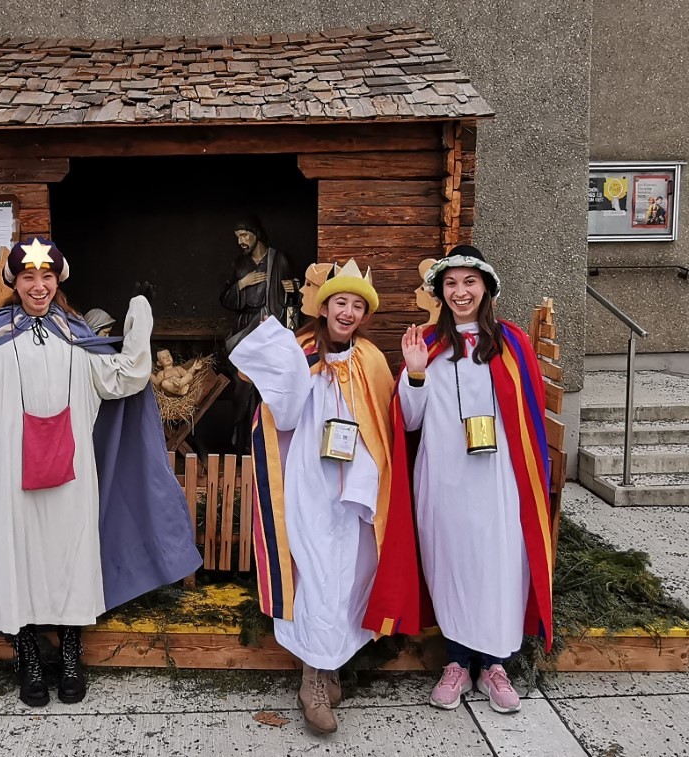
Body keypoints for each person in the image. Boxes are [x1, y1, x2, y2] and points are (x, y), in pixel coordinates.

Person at [0, 237, 202, 706]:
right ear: (14, 283)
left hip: (71, 479)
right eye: (29, 276)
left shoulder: (75, 336)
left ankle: (70, 652)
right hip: (6, 480)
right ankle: (27, 654)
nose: (38, 286)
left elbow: (123, 377)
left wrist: (138, 321)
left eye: (46, 276)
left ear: (57, 280)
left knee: (69, 557)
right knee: (12, 559)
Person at [363, 245, 553, 715]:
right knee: (451, 566)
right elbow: (409, 422)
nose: (460, 291)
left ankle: (495, 666)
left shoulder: (511, 344)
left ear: (486, 287)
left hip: (496, 481)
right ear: (440, 291)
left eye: (469, 281)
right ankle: (457, 663)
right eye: (451, 283)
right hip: (443, 479)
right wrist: (414, 373)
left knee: (497, 567)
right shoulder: (427, 344)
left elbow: (529, 422)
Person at [229, 259, 394, 734]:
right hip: (310, 484)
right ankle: (311, 682)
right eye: (340, 301)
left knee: (351, 578)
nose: (348, 312)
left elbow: (385, 422)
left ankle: (331, 664)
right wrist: (282, 365)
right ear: (324, 307)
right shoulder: (300, 351)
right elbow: (281, 415)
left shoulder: (371, 360)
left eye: (357, 305)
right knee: (317, 577)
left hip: (357, 491)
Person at [219, 217, 292, 454]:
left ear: (256, 233)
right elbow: (225, 299)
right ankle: (241, 442)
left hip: (269, 330)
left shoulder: (278, 260)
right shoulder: (240, 264)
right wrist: (242, 284)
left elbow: (293, 299)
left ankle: (263, 443)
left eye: (244, 235)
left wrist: (294, 290)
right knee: (242, 383)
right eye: (237, 237)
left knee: (266, 387)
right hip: (244, 330)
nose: (241, 241)